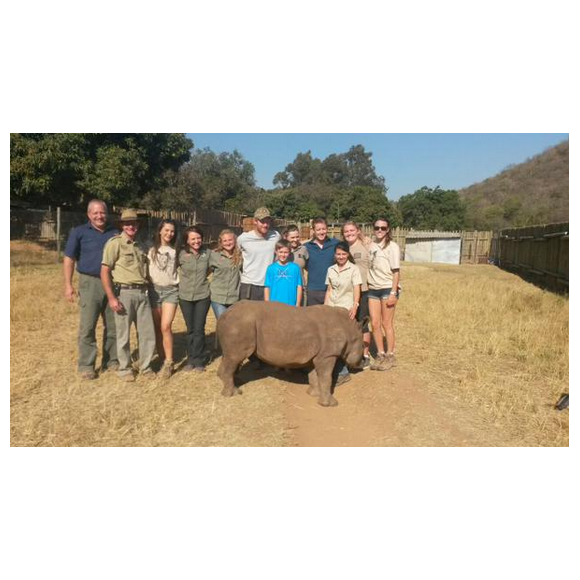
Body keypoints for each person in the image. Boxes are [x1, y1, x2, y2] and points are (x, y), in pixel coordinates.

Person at [64, 200, 119, 380]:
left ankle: (111, 361)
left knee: (113, 326)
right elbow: (69, 258)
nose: (99, 216)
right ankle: (87, 366)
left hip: (112, 283)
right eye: (95, 213)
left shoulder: (115, 233)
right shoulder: (79, 232)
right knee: (88, 326)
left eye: (102, 212)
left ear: (107, 213)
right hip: (90, 283)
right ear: (89, 215)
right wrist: (68, 284)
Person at [101, 210, 157, 382]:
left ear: (138, 225)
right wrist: (111, 297)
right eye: (127, 224)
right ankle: (125, 368)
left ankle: (145, 367)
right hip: (124, 293)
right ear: (121, 226)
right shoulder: (115, 244)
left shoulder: (141, 245)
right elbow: (104, 271)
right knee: (123, 334)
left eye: (134, 223)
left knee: (147, 333)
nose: (131, 226)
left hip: (142, 293)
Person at [325, 242, 362, 387]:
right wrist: (325, 308)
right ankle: (333, 370)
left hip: (345, 309)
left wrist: (355, 305)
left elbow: (356, 289)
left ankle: (342, 372)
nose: (341, 257)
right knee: (329, 341)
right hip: (332, 309)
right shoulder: (331, 269)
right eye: (338, 254)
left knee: (340, 342)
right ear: (335, 255)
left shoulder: (354, 269)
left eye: (343, 254)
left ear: (348, 255)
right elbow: (329, 290)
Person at [368, 218, 401, 371]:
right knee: (374, 323)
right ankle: (380, 354)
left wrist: (394, 292)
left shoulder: (392, 247)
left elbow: (396, 271)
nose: (379, 230)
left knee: (386, 323)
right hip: (373, 288)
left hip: (387, 287)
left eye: (383, 228)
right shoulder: (371, 245)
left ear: (388, 229)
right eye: (377, 227)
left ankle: (390, 355)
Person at [148, 219, 180, 380]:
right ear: (160, 231)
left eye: (172, 231)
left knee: (166, 326)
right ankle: (161, 358)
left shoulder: (177, 250)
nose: (169, 233)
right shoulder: (150, 249)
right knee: (157, 327)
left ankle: (169, 361)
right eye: (166, 230)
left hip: (170, 291)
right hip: (153, 291)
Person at [178, 226, 211, 373]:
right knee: (190, 329)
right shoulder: (181, 254)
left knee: (199, 329)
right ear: (187, 240)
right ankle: (190, 359)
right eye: (193, 238)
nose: (196, 241)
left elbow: (214, 267)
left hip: (202, 296)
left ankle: (199, 360)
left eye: (198, 238)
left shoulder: (208, 254)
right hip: (185, 296)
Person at [342, 221, 372, 369]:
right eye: (346, 231)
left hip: (364, 290)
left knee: (363, 323)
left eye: (352, 230)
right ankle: (350, 354)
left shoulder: (367, 245)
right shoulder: (343, 247)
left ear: (358, 231)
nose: (349, 233)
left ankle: (365, 355)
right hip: (348, 292)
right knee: (349, 323)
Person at [237, 207, 281, 301]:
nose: (265, 225)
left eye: (268, 222)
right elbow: (235, 255)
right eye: (262, 222)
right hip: (249, 285)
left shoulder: (276, 236)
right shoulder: (243, 239)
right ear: (255, 221)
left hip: (268, 285)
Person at [305, 218, 340, 306]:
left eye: (323, 229)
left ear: (327, 229)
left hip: (331, 288)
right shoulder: (306, 247)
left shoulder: (335, 244)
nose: (321, 232)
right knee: (313, 318)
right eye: (318, 229)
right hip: (313, 289)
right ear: (313, 230)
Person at [209, 229, 242, 320]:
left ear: (235, 240)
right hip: (218, 297)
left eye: (230, 240)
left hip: (234, 298)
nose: (228, 243)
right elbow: (206, 272)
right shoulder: (214, 255)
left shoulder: (240, 256)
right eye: (225, 241)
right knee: (223, 324)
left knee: (233, 326)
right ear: (221, 243)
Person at [265, 240, 303, 307]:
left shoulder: (295, 268)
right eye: (281, 252)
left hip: (291, 305)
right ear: (276, 252)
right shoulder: (271, 268)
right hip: (274, 305)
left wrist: (298, 304)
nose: (283, 255)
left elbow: (299, 286)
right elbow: (267, 287)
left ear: (290, 252)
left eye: (286, 252)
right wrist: (267, 304)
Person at [284, 225, 309, 305]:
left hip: (300, 288)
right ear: (286, 237)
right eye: (292, 237)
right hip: (285, 288)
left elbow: (308, 266)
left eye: (297, 237)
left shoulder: (303, 249)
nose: (295, 240)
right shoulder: (281, 251)